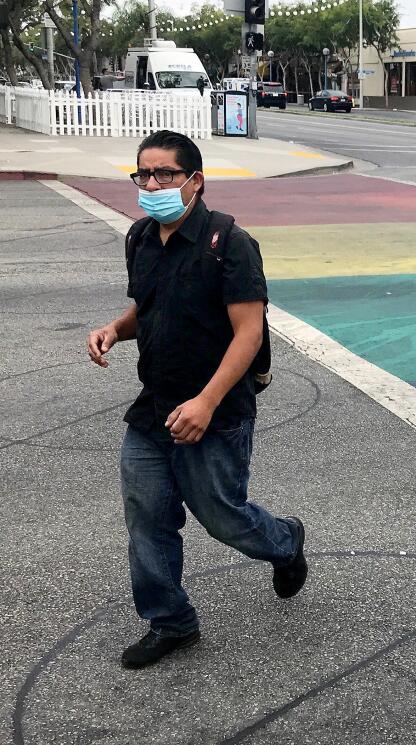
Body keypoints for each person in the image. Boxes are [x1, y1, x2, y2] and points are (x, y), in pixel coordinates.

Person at [87, 130, 308, 670]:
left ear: (195, 181)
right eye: (144, 174)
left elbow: (248, 334)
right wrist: (116, 329)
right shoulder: (140, 237)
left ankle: (285, 541)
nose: (153, 184)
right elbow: (151, 305)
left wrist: (207, 402)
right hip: (154, 407)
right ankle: (171, 621)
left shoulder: (229, 244)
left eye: (166, 174)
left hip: (218, 411)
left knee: (223, 518)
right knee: (148, 518)